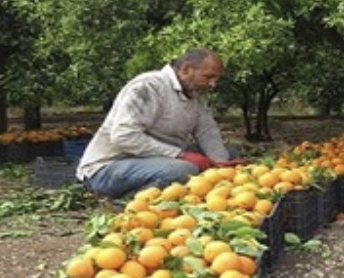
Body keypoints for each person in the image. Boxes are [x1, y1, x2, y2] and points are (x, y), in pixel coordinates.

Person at [77, 48, 241, 200]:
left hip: (158, 160)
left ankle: (192, 191)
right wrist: (180, 155)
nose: (213, 84)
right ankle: (133, 203)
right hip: (108, 169)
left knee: (228, 155)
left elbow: (206, 130)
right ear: (186, 69)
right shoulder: (148, 86)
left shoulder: (194, 94)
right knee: (183, 169)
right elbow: (124, 136)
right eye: (208, 77)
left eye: (216, 79)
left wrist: (220, 163)